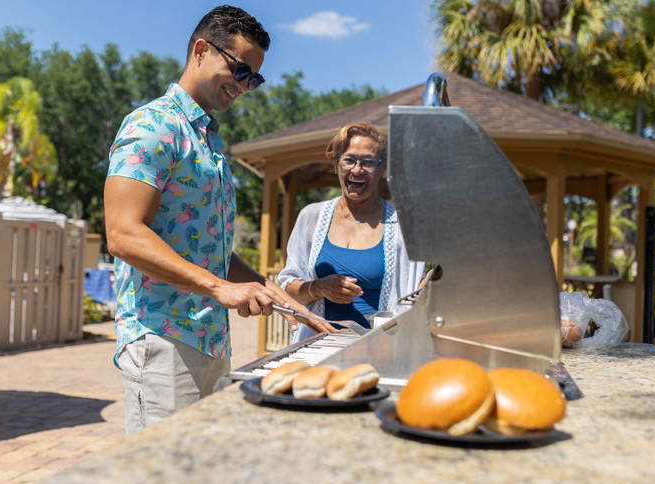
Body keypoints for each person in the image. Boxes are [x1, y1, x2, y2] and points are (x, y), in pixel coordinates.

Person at [104, 5, 334, 435]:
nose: (246, 87)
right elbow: (122, 234)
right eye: (241, 70)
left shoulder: (207, 140)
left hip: (210, 339)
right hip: (162, 339)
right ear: (200, 50)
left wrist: (276, 292)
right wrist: (220, 288)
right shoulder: (153, 125)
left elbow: (209, 249)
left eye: (255, 78)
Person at [278, 123, 426, 343]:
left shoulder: (403, 223)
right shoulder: (311, 217)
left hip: (382, 347)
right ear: (336, 164)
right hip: (318, 346)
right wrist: (318, 288)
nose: (357, 170)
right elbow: (288, 287)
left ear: (382, 168)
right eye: (349, 160)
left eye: (368, 162)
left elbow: (416, 288)